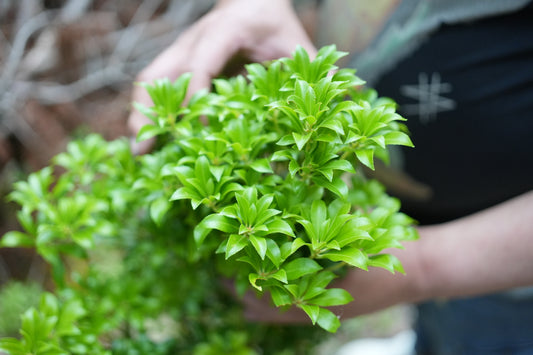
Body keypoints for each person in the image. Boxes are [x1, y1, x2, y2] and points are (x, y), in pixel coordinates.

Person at [127, 1, 533, 354]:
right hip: (418, 222)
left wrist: (427, 266)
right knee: (437, 328)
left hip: (509, 277)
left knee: (485, 333)